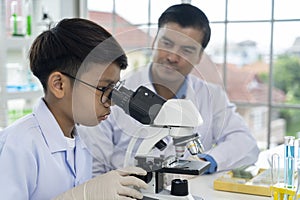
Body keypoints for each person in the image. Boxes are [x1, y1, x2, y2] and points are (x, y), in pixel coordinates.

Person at [79, 3, 260, 176]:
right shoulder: (115, 94)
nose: (173, 57)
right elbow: (94, 165)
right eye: (166, 43)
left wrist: (206, 161)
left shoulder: (212, 96)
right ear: (154, 41)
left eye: (187, 50)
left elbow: (246, 144)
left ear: (199, 57)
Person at [0, 18, 148, 199]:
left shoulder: (80, 142)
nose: (112, 101)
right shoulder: (19, 145)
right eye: (103, 88)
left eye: (114, 90)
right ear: (59, 85)